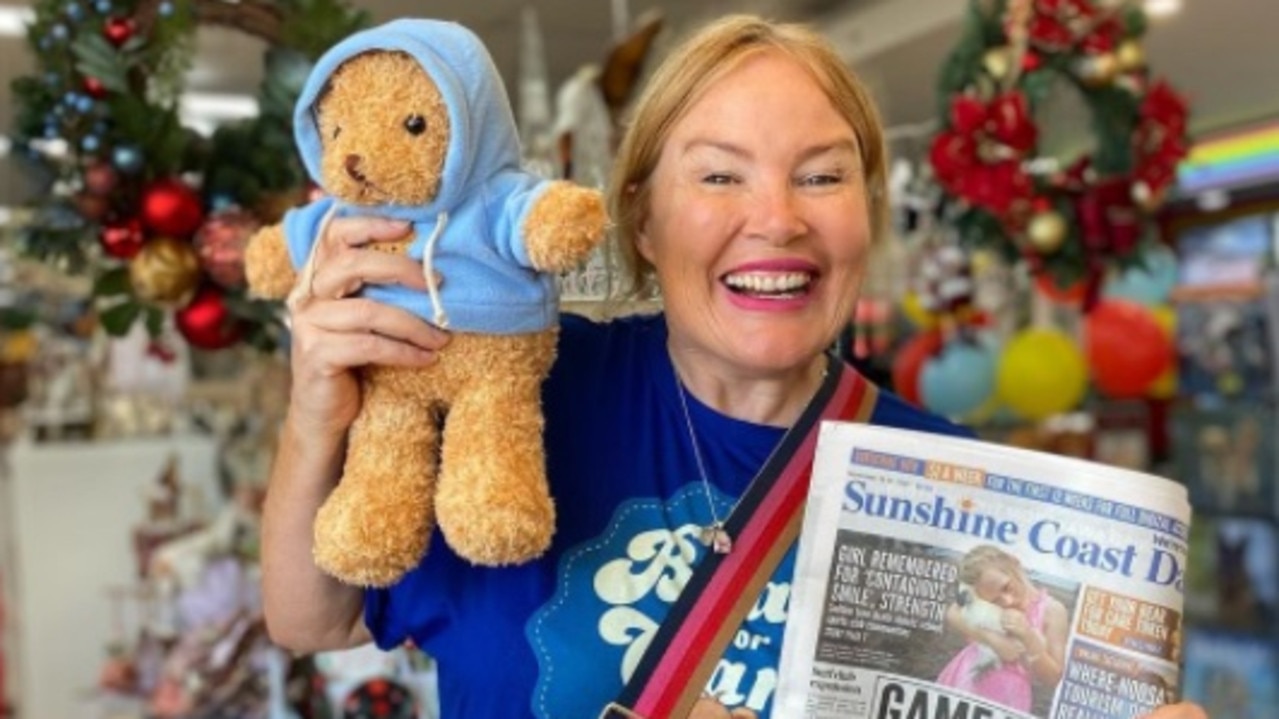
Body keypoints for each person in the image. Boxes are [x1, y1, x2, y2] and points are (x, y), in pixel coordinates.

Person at [260, 14, 1209, 719]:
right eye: (718, 175)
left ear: (865, 214)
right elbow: (313, 619)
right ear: (640, 218)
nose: (779, 218)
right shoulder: (512, 399)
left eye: (822, 175)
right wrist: (317, 417)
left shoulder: (957, 486)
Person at [938, 545, 1069, 713]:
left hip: (1008, 697)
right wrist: (994, 641)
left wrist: (1028, 638)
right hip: (965, 680)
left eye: (1006, 587)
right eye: (994, 601)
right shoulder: (978, 595)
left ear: (1014, 563)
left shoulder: (1052, 611)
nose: (1007, 601)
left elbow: (1053, 678)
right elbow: (953, 612)